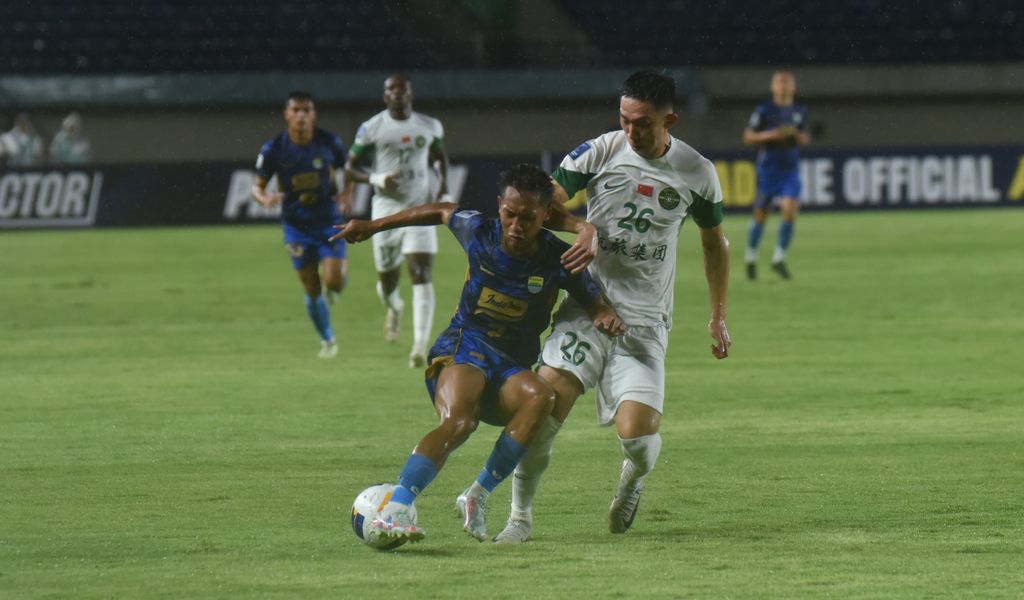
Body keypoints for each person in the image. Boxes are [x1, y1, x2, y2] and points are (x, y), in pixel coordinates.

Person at [485, 70, 732, 544]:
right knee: (543, 411)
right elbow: (543, 206)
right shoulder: (599, 151)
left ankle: (633, 480)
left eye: (642, 123)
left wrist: (718, 315)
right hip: (586, 303)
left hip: (643, 319)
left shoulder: (697, 172)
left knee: (637, 439)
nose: (630, 131)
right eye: (624, 120)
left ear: (670, 119)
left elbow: (714, 244)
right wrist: (583, 226)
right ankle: (519, 518)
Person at [332, 164, 624, 544]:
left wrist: (605, 313)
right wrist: (373, 226)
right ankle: (396, 507)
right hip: (465, 347)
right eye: (509, 214)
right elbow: (440, 210)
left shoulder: (559, 257)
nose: (516, 225)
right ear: (499, 206)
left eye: (528, 217)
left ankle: (477, 495)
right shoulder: (478, 231)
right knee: (459, 423)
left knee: (542, 397)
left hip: (511, 365)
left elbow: (592, 299)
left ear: (546, 215)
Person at [344, 73, 451, 368]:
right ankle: (394, 306)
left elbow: (440, 157)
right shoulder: (372, 128)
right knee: (388, 282)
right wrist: (377, 178)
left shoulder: (430, 126)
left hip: (420, 207)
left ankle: (419, 345)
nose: (397, 93)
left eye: (401, 89)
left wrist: (443, 188)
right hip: (385, 209)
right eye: (391, 89)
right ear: (385, 96)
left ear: (410, 94)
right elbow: (349, 169)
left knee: (420, 272)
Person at [250, 91, 348, 358]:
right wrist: (264, 197)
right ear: (287, 115)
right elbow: (256, 187)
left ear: (313, 115)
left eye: (307, 110)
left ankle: (338, 282)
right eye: (296, 110)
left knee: (334, 282)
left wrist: (346, 192)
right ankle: (327, 340)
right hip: (296, 226)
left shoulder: (329, 142)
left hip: (328, 220)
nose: (302, 115)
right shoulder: (274, 149)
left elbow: (348, 168)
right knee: (311, 287)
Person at [742, 70, 810, 280]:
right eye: (780, 82)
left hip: (790, 170)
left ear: (793, 87)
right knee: (761, 215)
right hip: (769, 170)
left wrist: (798, 137)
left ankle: (778, 258)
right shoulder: (764, 110)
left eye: (787, 83)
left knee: (790, 209)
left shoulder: (799, 110)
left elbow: (805, 137)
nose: (784, 86)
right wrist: (770, 135)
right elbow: (748, 137)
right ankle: (751, 257)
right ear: (773, 87)